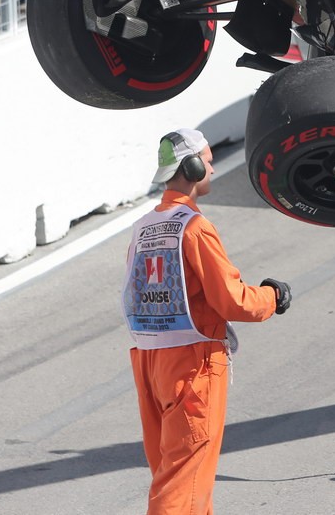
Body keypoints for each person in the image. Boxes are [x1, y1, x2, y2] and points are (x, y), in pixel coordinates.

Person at [123, 128, 292, 515]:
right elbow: (232, 301)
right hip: (192, 366)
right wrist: (272, 297)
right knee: (183, 483)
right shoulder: (194, 227)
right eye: (209, 161)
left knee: (178, 474)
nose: (213, 169)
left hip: (150, 363)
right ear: (193, 166)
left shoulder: (143, 227)